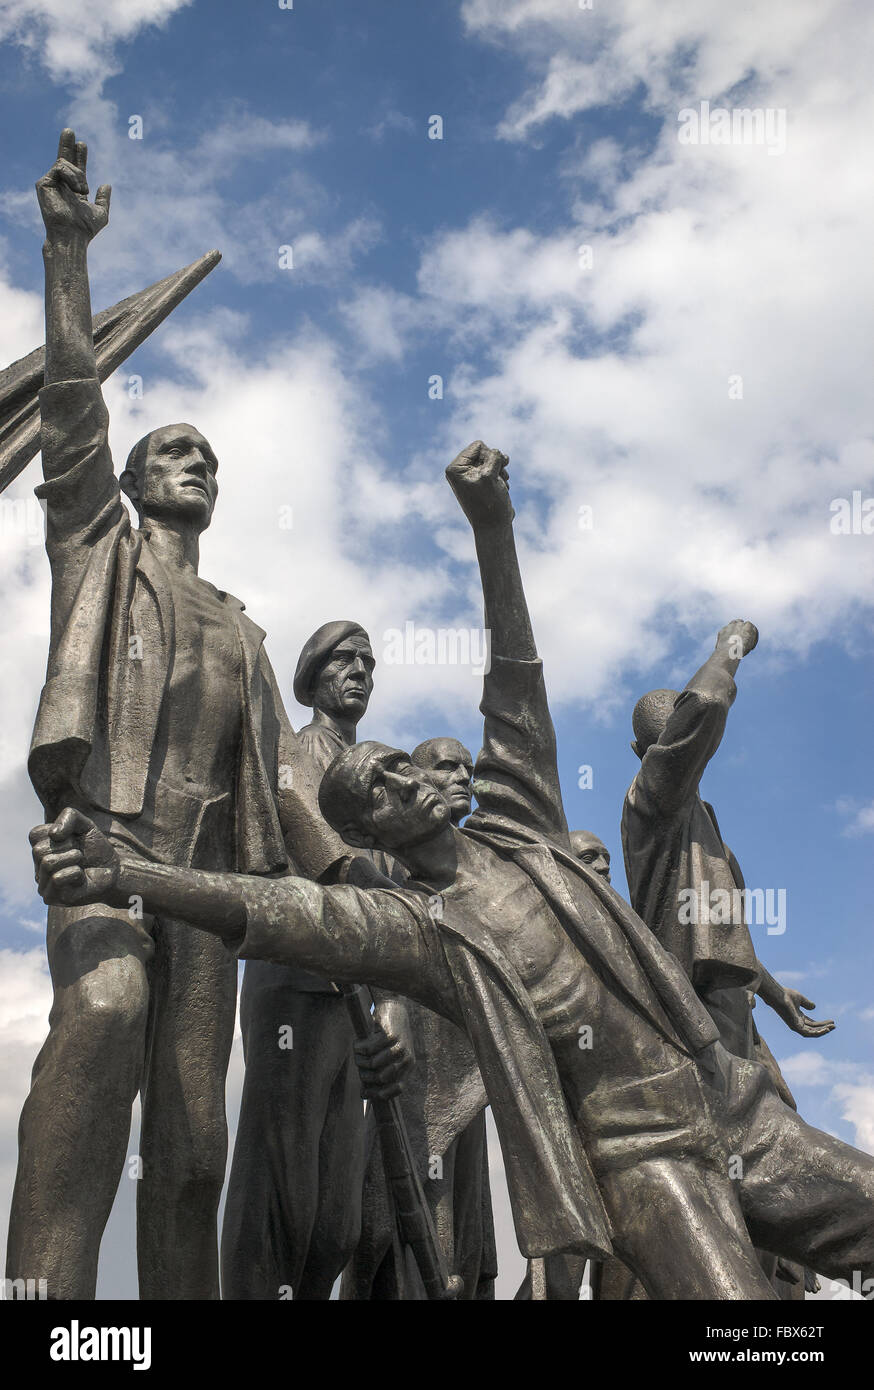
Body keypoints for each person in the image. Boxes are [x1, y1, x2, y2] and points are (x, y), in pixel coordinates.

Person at [30, 441, 874, 1299]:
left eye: (406, 765)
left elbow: (515, 679)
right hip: (645, 1152)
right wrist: (123, 873)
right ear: (375, 831)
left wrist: (493, 528)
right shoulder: (416, 925)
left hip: (730, 1102)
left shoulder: (525, 827)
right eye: (383, 786)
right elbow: (276, 908)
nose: (409, 777)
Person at [5, 131, 342, 1300]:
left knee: (196, 1139)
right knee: (100, 1018)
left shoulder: (244, 631)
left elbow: (287, 791)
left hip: (210, 885)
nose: (192, 458)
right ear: (139, 476)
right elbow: (67, 414)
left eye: (206, 452)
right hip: (109, 850)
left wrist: (360, 899)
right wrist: (66, 258)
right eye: (172, 446)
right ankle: (46, 1307)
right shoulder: (101, 551)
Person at [622, 625, 834, 1297]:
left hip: (730, 1006)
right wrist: (732, 645)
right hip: (694, 1011)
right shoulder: (652, 802)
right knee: (733, 1159)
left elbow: (720, 931)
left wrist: (771, 993)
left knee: (770, 1143)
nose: (680, 747)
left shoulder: (704, 824)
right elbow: (705, 709)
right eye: (668, 736)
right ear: (645, 752)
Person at [222, 621, 407, 1300]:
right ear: (313, 676)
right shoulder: (298, 753)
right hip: (296, 983)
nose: (359, 670)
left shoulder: (380, 777)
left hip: (358, 989)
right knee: (279, 1182)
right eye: (343, 660)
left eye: (368, 661)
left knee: (337, 1218)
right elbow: (310, 835)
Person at [342, 737, 497, 1301]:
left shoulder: (483, 865)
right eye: (446, 766)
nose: (463, 777)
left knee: (465, 1225)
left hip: (470, 1071)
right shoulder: (390, 865)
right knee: (401, 1217)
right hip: (416, 1070)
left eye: (469, 769)